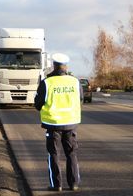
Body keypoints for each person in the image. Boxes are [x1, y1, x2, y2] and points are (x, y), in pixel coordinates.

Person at [34, 53, 83, 192]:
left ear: (54, 65)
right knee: (71, 154)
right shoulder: (75, 82)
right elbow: (80, 99)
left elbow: (38, 104)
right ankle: (73, 184)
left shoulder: (46, 83)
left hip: (53, 125)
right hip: (71, 124)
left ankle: (56, 185)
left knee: (54, 154)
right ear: (66, 66)